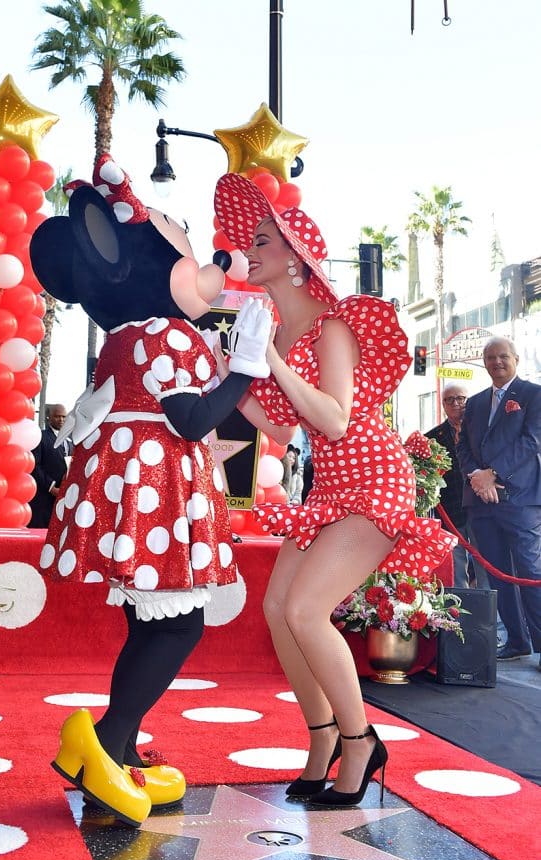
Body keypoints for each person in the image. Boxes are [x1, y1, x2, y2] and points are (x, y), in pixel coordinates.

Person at [29, 155, 272, 826]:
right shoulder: (170, 333)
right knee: (179, 622)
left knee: (152, 617)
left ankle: (120, 745)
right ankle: (107, 740)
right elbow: (192, 418)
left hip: (138, 483)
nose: (210, 261)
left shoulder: (125, 337)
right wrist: (244, 368)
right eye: (186, 249)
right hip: (158, 482)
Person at [214, 173, 455, 808]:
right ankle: (322, 740)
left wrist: (268, 360)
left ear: (296, 260)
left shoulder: (333, 327)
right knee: (275, 611)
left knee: (303, 610)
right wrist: (227, 373)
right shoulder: (281, 336)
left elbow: (337, 419)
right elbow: (277, 422)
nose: (250, 248)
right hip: (329, 491)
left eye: (263, 240)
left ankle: (361, 740)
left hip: (375, 481)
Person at [457, 336, 541, 664]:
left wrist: (493, 473)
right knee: (497, 574)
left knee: (530, 572)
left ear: (516, 359)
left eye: (503, 356)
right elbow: (462, 445)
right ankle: (518, 641)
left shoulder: (533, 395)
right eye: (490, 358)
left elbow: (532, 441)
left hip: (520, 501)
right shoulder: (476, 403)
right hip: (481, 503)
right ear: (484, 362)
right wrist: (476, 475)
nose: (497, 362)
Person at [425, 383, 491, 591]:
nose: (456, 404)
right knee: (456, 569)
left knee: (485, 565)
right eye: (450, 400)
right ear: (443, 405)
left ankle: (487, 614)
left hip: (482, 507)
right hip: (450, 511)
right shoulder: (432, 438)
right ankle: (459, 615)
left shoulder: (484, 431)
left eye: (461, 398)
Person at [28, 403, 73, 528]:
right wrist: (51, 487)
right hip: (44, 498)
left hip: (65, 497)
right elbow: (35, 465)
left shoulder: (71, 440)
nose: (61, 420)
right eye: (57, 416)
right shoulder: (41, 437)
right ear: (49, 417)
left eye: (64, 417)